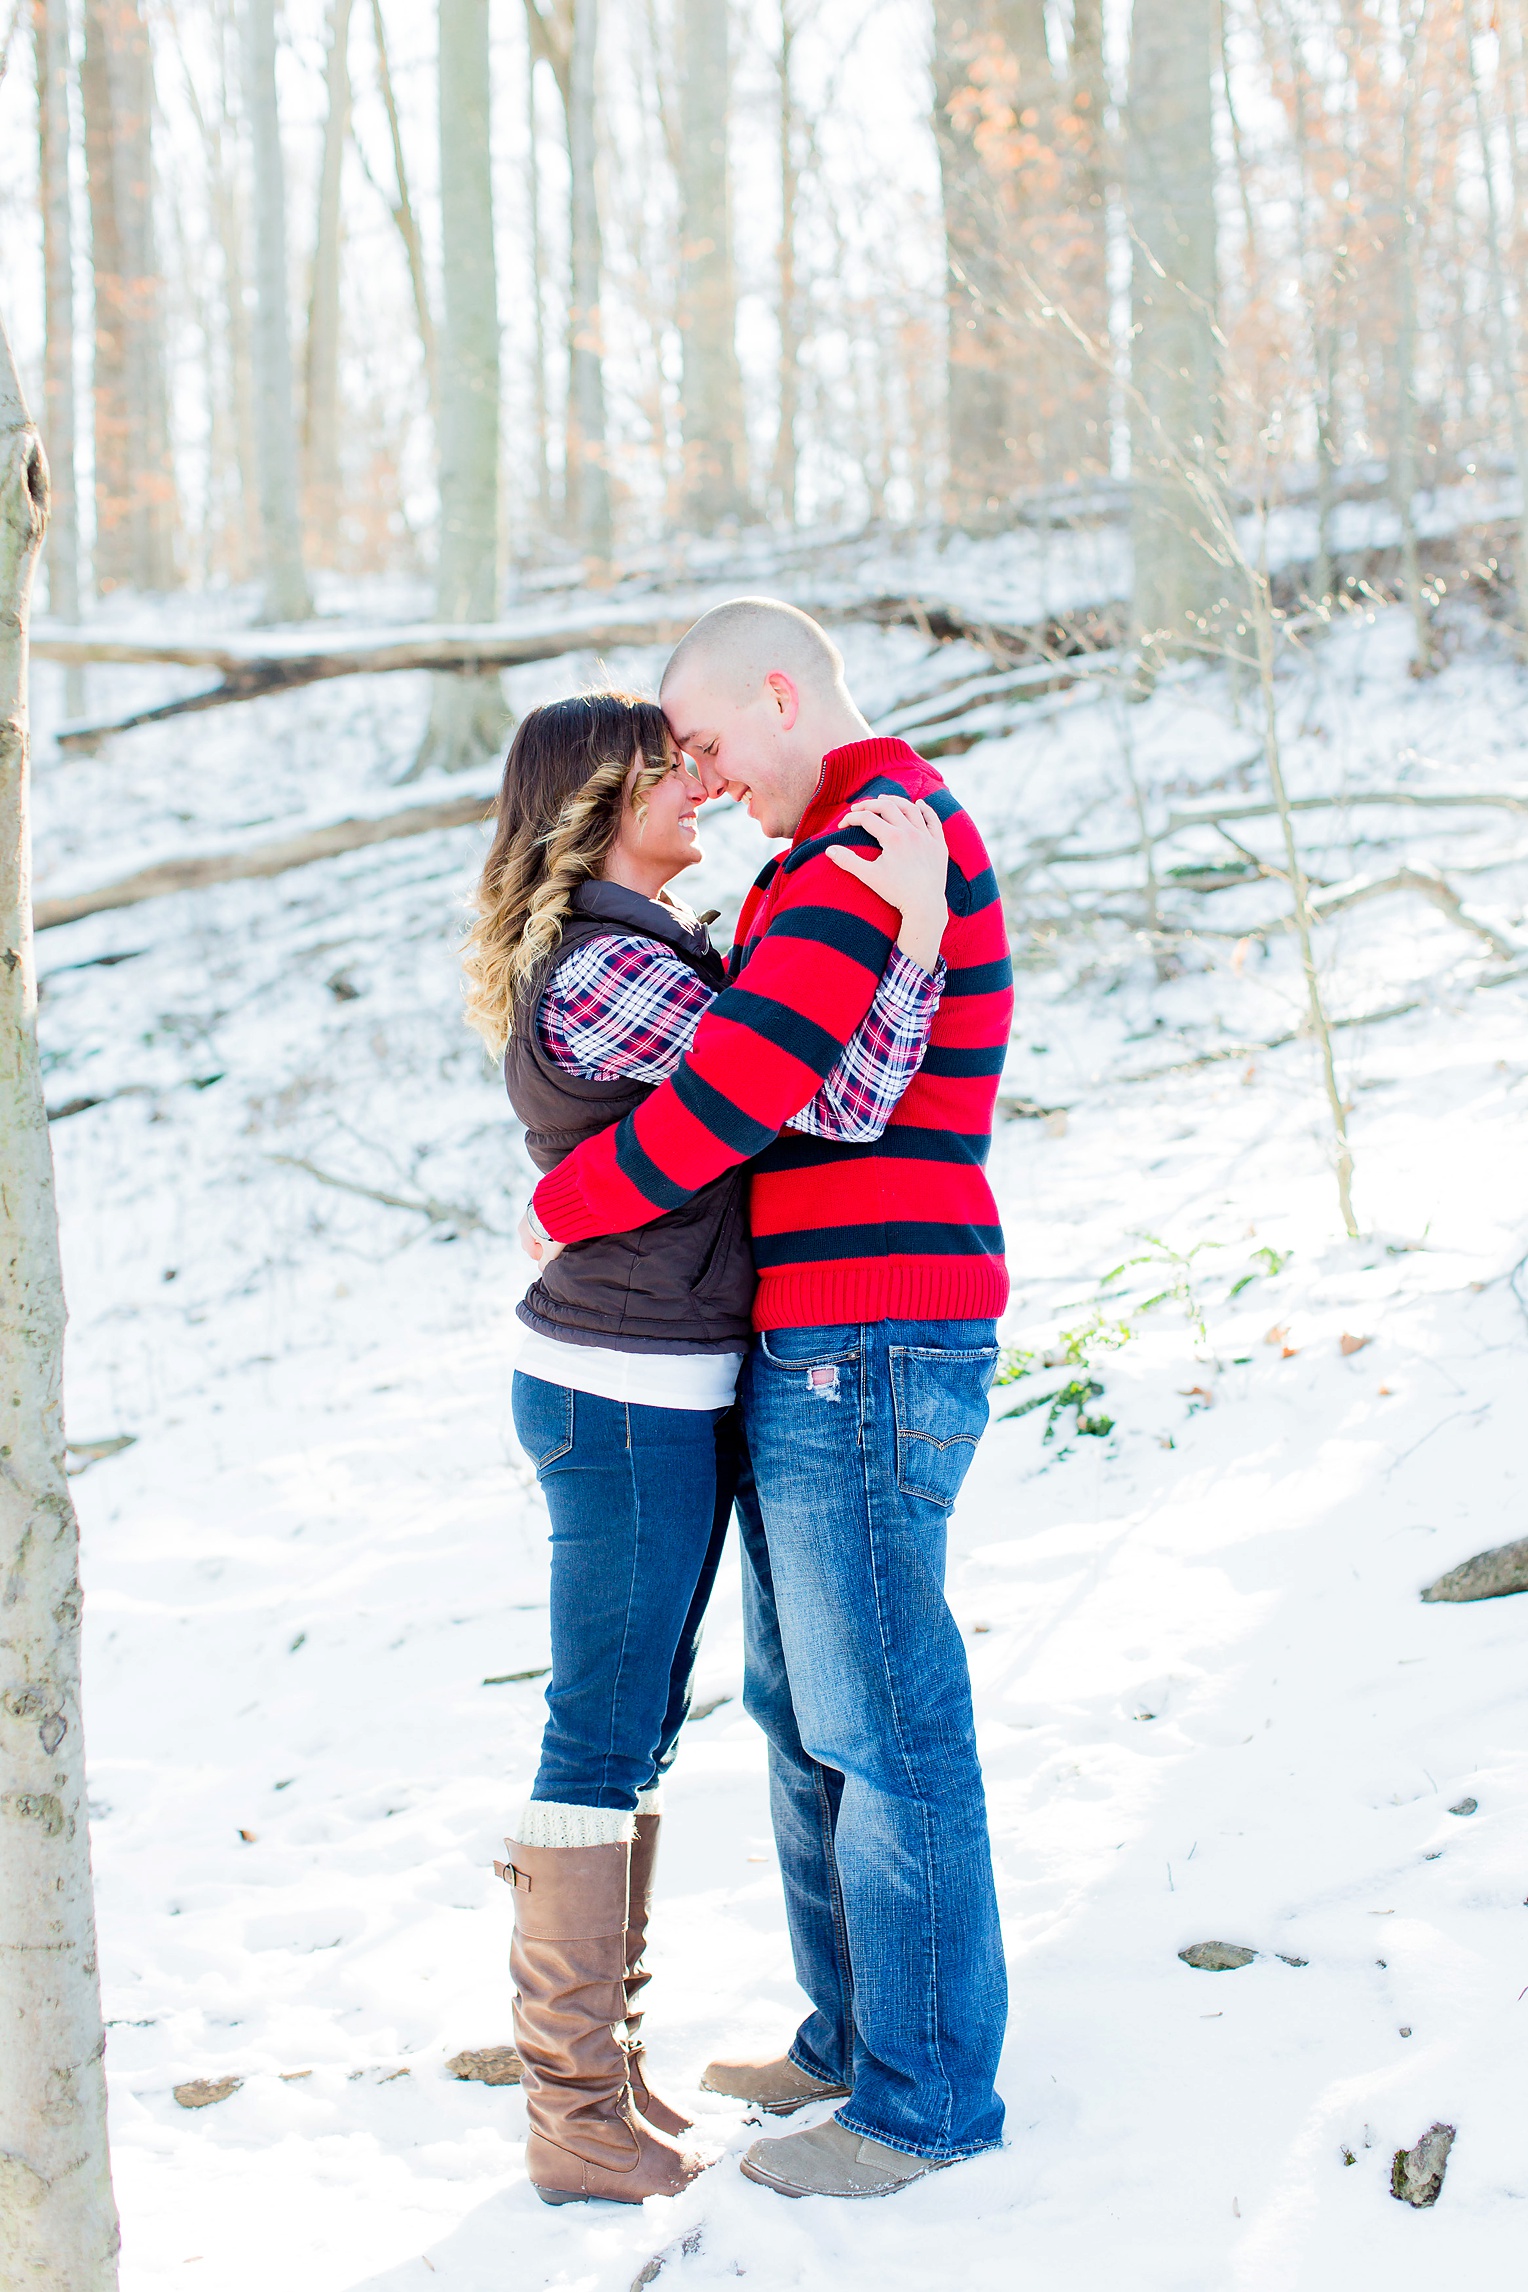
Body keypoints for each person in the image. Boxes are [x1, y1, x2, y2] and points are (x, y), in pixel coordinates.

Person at [524, 601, 1015, 2203]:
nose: (709, 776)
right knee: (811, 1714)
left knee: (882, 1722)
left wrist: (576, 1194)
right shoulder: (825, 859)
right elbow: (775, 1064)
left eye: (713, 740)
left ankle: (923, 2100)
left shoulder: (873, 835)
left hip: (872, 1330)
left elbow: (772, 1096)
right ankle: (852, 2036)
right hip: (817, 1334)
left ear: (783, 696)